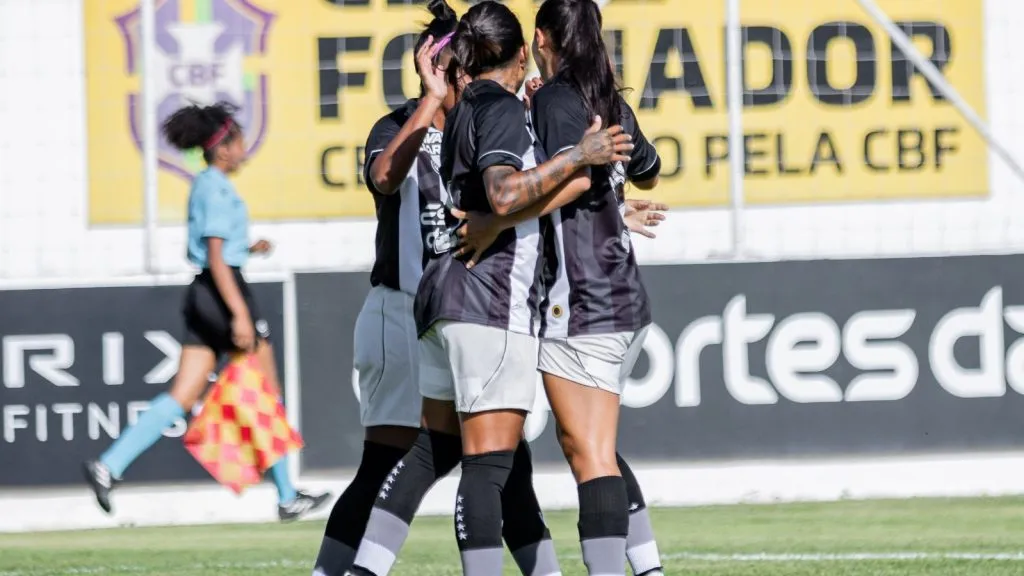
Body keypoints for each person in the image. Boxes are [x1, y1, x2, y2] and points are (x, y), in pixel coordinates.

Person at [317, 4, 563, 576]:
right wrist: (428, 102)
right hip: (404, 310)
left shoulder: (485, 120)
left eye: (453, 58)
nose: (449, 68)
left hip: (460, 309)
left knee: (506, 465)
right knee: (390, 462)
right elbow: (383, 177)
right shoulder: (399, 125)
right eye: (437, 61)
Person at [413, 2, 634, 574]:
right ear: (519, 53)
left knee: (471, 458)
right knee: (494, 464)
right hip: (490, 298)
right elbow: (508, 195)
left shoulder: (466, 107)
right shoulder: (504, 107)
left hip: (445, 300)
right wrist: (580, 156)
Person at [82, 102, 330, 522]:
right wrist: (239, 314)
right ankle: (287, 495)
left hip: (204, 292)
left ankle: (109, 465)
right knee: (268, 390)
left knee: (183, 394)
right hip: (222, 290)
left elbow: (215, 248)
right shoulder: (216, 188)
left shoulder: (204, 185)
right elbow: (217, 257)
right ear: (224, 147)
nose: (243, 147)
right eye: (238, 139)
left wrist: (249, 247)